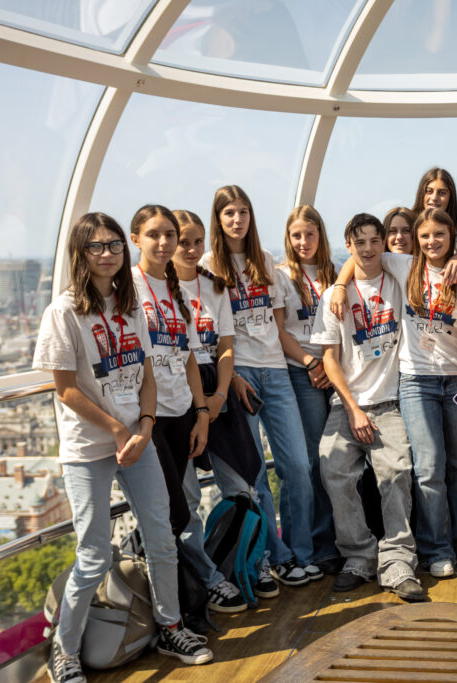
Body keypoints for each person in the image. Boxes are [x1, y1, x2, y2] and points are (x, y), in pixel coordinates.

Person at [35, 213, 212, 683]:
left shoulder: (130, 306)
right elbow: (66, 390)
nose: (109, 253)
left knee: (161, 537)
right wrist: (118, 431)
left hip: (140, 439)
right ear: (81, 252)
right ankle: (66, 650)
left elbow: (147, 376)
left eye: (115, 244)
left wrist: (147, 425)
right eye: (97, 246)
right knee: (93, 555)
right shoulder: (64, 312)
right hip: (90, 448)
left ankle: (171, 626)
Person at [331, 208, 457, 578]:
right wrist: (337, 285)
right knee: (428, 468)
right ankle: (436, 547)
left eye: (440, 236)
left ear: (451, 239)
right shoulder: (404, 266)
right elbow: (361, 256)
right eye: (425, 236)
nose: (432, 242)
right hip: (416, 381)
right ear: (417, 239)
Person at [198, 185, 318, 595]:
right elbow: (208, 333)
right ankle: (276, 558)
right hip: (239, 375)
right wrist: (230, 379)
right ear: (218, 218)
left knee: (298, 468)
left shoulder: (264, 261)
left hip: (276, 370)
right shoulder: (207, 267)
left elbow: (278, 326)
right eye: (229, 212)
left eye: (243, 211)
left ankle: (302, 552)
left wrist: (305, 360)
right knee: (255, 478)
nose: (237, 219)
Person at [130, 204, 248, 615]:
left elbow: (187, 358)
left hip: (183, 407)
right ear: (138, 239)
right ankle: (194, 588)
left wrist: (202, 411)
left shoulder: (176, 292)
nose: (169, 245)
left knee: (189, 501)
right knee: (177, 508)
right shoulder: (129, 286)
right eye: (160, 237)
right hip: (148, 414)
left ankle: (198, 584)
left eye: (175, 239)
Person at [311, 213, 426, 601]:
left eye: (376, 240)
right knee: (333, 466)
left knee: (396, 472)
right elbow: (329, 359)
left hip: (390, 400)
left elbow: (434, 259)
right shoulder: (333, 296)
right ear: (349, 246)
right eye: (360, 242)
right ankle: (359, 554)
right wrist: (353, 409)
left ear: (385, 243)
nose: (369, 248)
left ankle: (397, 560)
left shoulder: (397, 276)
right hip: (349, 404)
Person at [171, 209, 264, 612]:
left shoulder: (214, 286)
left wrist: (222, 395)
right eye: (182, 242)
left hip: (215, 388)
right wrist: (200, 404)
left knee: (243, 484)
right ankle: (206, 577)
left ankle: (242, 563)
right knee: (186, 497)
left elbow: (224, 345)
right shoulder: (153, 288)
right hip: (176, 394)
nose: (190, 249)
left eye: (196, 242)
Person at [274, 205, 343, 574]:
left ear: (321, 236)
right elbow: (280, 331)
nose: (303, 242)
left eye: (310, 234)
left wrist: (328, 366)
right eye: (296, 235)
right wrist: (310, 363)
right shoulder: (283, 276)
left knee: (338, 458)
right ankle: (318, 544)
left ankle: (337, 537)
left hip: (334, 372)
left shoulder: (335, 273)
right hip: (303, 374)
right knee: (313, 461)